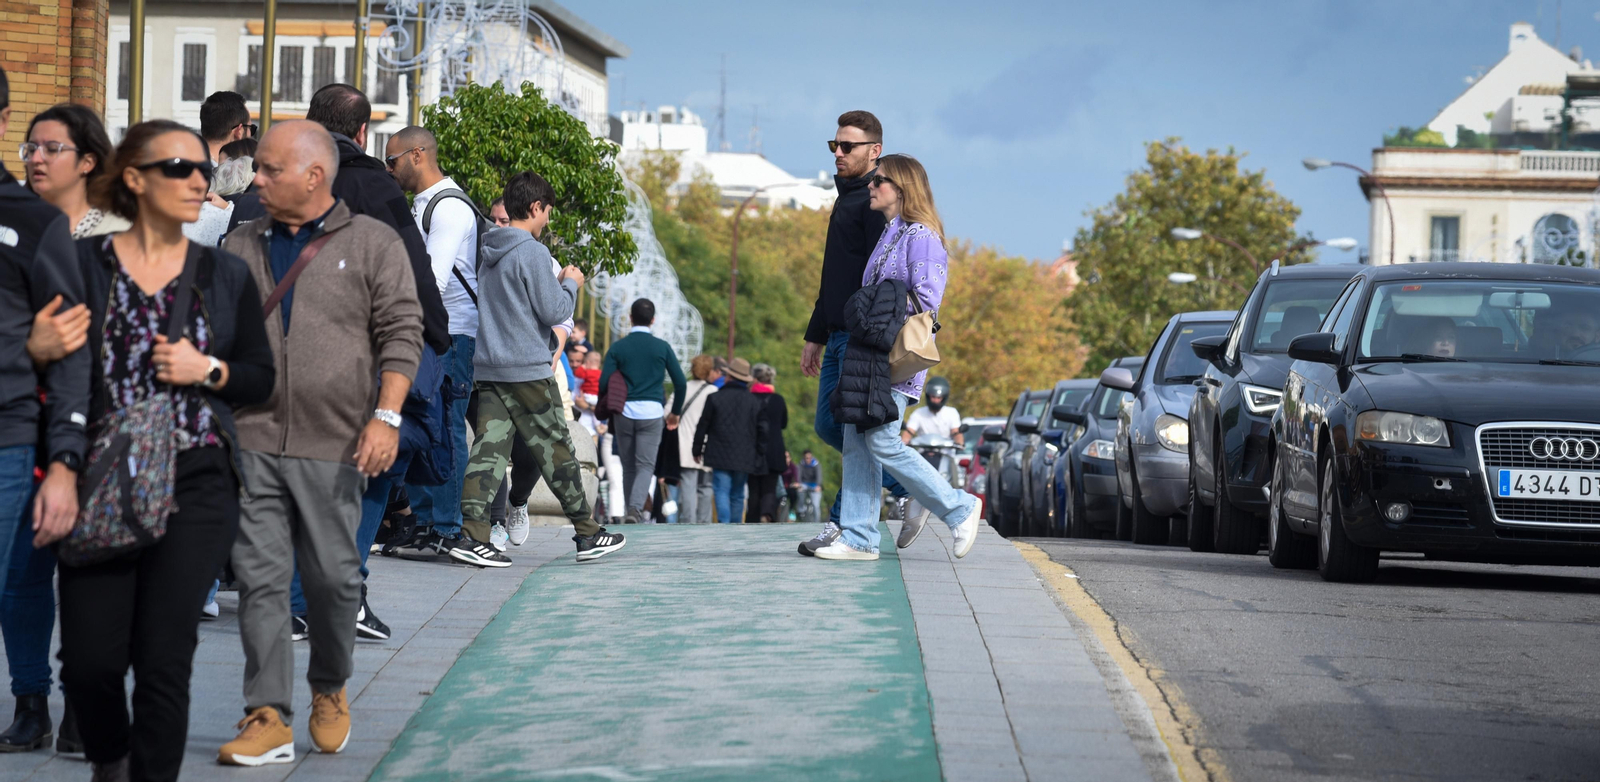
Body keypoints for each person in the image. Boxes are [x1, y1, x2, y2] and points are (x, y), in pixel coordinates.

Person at [43, 119, 275, 781]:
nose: (197, 179)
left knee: (165, 659)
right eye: (178, 167)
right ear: (135, 179)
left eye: (202, 169)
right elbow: (59, 380)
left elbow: (258, 378)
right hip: (100, 474)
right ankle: (111, 759)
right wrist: (60, 466)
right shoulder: (85, 267)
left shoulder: (223, 275)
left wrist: (208, 369)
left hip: (196, 478)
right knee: (88, 664)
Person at [218, 120, 423, 765]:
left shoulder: (371, 243)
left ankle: (329, 689)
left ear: (313, 175)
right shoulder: (240, 244)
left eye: (269, 168)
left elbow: (401, 331)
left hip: (335, 444)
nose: (256, 179)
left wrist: (385, 417)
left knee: (335, 582)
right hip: (252, 439)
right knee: (261, 581)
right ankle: (267, 713)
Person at [296, 82, 451, 640]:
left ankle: (295, 598)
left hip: (288, 347)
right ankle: (345, 595)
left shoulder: (287, 170)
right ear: (363, 132)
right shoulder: (371, 184)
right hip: (357, 350)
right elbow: (411, 266)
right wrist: (436, 334)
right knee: (372, 467)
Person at [815, 153, 982, 561]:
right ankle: (858, 538)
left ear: (902, 188)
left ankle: (959, 507)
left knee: (885, 443)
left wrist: (877, 311)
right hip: (869, 356)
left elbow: (927, 301)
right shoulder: (892, 232)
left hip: (895, 358)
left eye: (880, 181)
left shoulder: (922, 236)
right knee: (857, 442)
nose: (871, 186)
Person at [459, 170, 625, 563]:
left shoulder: (488, 248)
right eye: (547, 211)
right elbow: (555, 310)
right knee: (557, 450)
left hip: (490, 366)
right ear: (535, 207)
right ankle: (588, 533)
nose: (548, 219)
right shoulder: (532, 251)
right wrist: (569, 282)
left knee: (488, 454)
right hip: (527, 368)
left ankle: (472, 535)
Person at [0, 66, 90, 757]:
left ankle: (33, 701)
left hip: (11, 439)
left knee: (21, 581)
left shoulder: (30, 223)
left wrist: (64, 459)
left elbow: (68, 352)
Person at [798, 110, 911, 556]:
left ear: (874, 152)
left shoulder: (872, 202)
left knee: (854, 433)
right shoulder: (845, 199)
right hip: (836, 333)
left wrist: (869, 334)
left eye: (848, 147)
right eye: (835, 146)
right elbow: (836, 277)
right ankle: (906, 486)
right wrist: (816, 333)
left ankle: (845, 526)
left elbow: (879, 278)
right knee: (829, 425)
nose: (839, 154)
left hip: (859, 337)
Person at [387, 125, 479, 559]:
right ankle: (425, 522)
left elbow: (434, 283)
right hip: (432, 330)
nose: (390, 170)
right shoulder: (425, 204)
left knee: (448, 428)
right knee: (425, 426)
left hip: (452, 333)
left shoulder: (448, 208)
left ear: (417, 155)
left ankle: (447, 525)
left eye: (393, 161)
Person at [598, 299, 687, 523]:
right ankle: (635, 509)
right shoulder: (662, 347)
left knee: (628, 465)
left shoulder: (618, 347)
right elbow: (681, 383)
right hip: (652, 413)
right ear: (653, 320)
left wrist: (607, 408)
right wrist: (675, 412)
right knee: (645, 465)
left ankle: (633, 510)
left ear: (630, 318)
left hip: (624, 413)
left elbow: (604, 382)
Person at [22, 103, 130, 239]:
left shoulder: (119, 234)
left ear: (87, 163)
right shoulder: (11, 225)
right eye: (31, 149)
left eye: (52, 149)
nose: (35, 159)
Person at [692, 358, 766, 523]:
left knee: (721, 490)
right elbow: (763, 430)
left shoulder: (714, 398)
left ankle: (724, 526)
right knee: (738, 494)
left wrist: (697, 449)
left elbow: (702, 425)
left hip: (719, 454)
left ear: (729, 377)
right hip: (745, 455)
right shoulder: (754, 402)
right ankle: (735, 529)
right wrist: (759, 454)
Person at [898, 376, 962, 546]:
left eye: (938, 398)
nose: (935, 400)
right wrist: (902, 443)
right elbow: (909, 432)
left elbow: (956, 432)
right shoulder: (919, 413)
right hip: (923, 452)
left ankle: (955, 501)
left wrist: (959, 441)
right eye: (932, 397)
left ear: (944, 398)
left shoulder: (951, 413)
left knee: (956, 476)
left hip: (945, 453)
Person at [674, 355, 721, 524]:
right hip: (708, 446)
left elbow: (668, 413)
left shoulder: (682, 389)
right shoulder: (714, 392)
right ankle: (704, 522)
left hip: (685, 444)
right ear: (709, 371)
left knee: (688, 485)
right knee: (706, 487)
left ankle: (688, 522)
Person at [746, 363, 787, 523]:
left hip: (753, 449)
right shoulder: (778, 400)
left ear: (755, 379)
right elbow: (783, 423)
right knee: (770, 487)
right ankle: (767, 514)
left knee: (754, 487)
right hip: (775, 449)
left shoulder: (749, 398)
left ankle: (753, 517)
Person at [199, 90, 252, 163]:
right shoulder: (225, 172)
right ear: (239, 131)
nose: (250, 135)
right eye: (250, 128)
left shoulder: (186, 164)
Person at [798, 450, 823, 525]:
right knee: (799, 492)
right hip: (804, 484)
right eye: (806, 458)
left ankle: (817, 522)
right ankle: (801, 511)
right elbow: (798, 476)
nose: (808, 459)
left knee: (816, 505)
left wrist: (818, 486)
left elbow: (819, 476)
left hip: (814, 485)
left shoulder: (816, 464)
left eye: (809, 458)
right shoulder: (801, 464)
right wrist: (799, 485)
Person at [782, 452, 801, 523]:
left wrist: (796, 483)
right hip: (780, 487)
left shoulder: (792, 466)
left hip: (788, 487)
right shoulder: (779, 465)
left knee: (794, 494)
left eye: (787, 457)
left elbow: (796, 477)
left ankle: (791, 510)